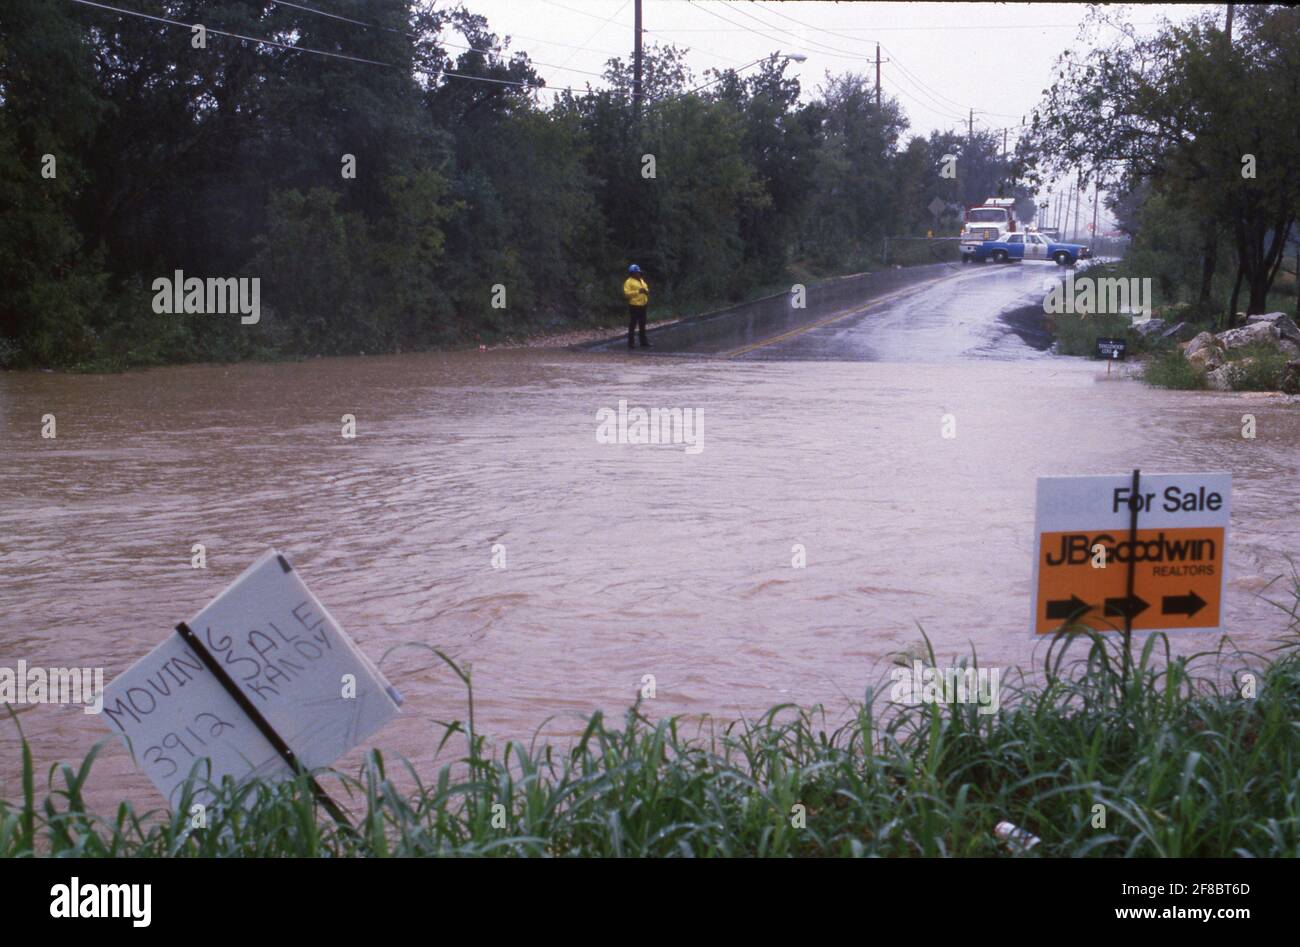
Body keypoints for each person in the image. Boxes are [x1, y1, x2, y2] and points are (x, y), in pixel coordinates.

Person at [623, 264, 651, 348]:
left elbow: (646, 289)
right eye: (636, 272)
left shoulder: (641, 280)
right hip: (634, 306)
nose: (638, 274)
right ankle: (631, 343)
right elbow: (626, 294)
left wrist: (646, 291)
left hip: (643, 305)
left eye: (638, 272)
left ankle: (644, 342)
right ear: (631, 273)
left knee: (642, 324)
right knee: (633, 324)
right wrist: (637, 291)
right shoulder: (628, 282)